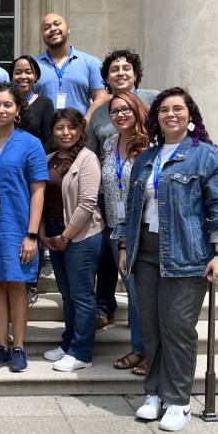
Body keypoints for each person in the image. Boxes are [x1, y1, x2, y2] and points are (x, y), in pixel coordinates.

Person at [113, 87, 218, 432]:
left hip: (186, 254)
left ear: (190, 115)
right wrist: (125, 247)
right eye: (164, 110)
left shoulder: (208, 156)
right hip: (145, 253)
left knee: (178, 329)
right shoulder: (146, 157)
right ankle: (153, 393)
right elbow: (131, 209)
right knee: (151, 328)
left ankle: (179, 400)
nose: (170, 114)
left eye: (177, 109)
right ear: (156, 118)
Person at [0, 82, 47, 373]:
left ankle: (19, 347)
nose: (1, 109)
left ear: (18, 110)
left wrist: (31, 235)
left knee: (16, 285)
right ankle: (1, 346)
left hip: (17, 225)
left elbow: (38, 191)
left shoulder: (31, 143)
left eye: (7, 105)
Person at [88, 49, 159, 334]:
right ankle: (112, 311)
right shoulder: (99, 117)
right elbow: (92, 155)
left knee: (141, 275)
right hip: (111, 197)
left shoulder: (155, 98)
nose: (120, 73)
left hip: (146, 201)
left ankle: (144, 339)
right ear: (106, 77)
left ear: (135, 73)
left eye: (125, 68)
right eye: (113, 69)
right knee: (115, 260)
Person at [40, 108, 104, 372]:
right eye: (59, 128)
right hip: (54, 231)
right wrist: (43, 232)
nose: (65, 133)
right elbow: (41, 197)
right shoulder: (49, 158)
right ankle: (68, 343)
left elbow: (88, 203)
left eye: (70, 127)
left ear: (79, 131)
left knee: (81, 296)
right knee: (66, 294)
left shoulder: (88, 159)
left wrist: (66, 236)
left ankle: (81, 351)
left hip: (81, 234)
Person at [99, 91, 149, 376]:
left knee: (140, 294)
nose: (120, 115)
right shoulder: (108, 145)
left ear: (137, 110)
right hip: (113, 229)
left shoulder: (149, 145)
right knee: (133, 293)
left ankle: (148, 351)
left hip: (139, 230)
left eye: (125, 110)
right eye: (115, 111)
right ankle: (140, 348)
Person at [9, 54, 56, 302]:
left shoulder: (44, 103)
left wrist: (35, 165)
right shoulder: (5, 103)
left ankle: (31, 282)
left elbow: (50, 139)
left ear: (36, 76)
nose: (23, 76)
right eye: (18, 71)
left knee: (33, 227)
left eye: (28, 71)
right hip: (10, 174)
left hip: (35, 172)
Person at [34, 13, 109, 120]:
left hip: (80, 131)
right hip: (44, 133)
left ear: (68, 29)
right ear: (42, 34)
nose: (52, 29)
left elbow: (102, 97)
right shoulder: (33, 65)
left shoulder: (90, 62)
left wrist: (85, 124)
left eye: (57, 24)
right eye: (46, 27)